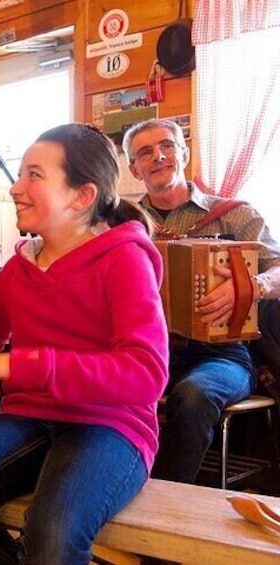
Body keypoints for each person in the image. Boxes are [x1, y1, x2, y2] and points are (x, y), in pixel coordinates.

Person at [0, 123, 169, 565]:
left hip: (111, 425)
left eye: (34, 175)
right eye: (19, 175)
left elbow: (145, 376)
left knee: (52, 535)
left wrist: (19, 367)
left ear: (81, 196)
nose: (16, 188)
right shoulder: (22, 264)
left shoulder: (125, 259)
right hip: (30, 414)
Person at [122, 118, 280, 483]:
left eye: (167, 146)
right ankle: (114, 491)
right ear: (133, 168)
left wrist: (251, 286)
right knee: (93, 386)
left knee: (194, 396)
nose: (158, 156)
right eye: (145, 152)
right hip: (143, 350)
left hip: (222, 354)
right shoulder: (122, 222)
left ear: (184, 152)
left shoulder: (235, 214)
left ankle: (165, 506)